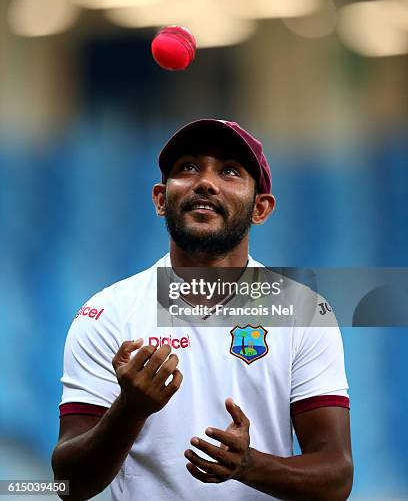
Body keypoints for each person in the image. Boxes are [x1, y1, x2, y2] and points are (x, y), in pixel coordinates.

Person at [52, 119, 353, 501]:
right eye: (188, 168)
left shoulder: (306, 312)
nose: (205, 182)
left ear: (260, 208)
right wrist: (129, 410)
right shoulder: (107, 313)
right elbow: (68, 484)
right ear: (161, 200)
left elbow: (337, 475)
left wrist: (250, 466)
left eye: (229, 171)